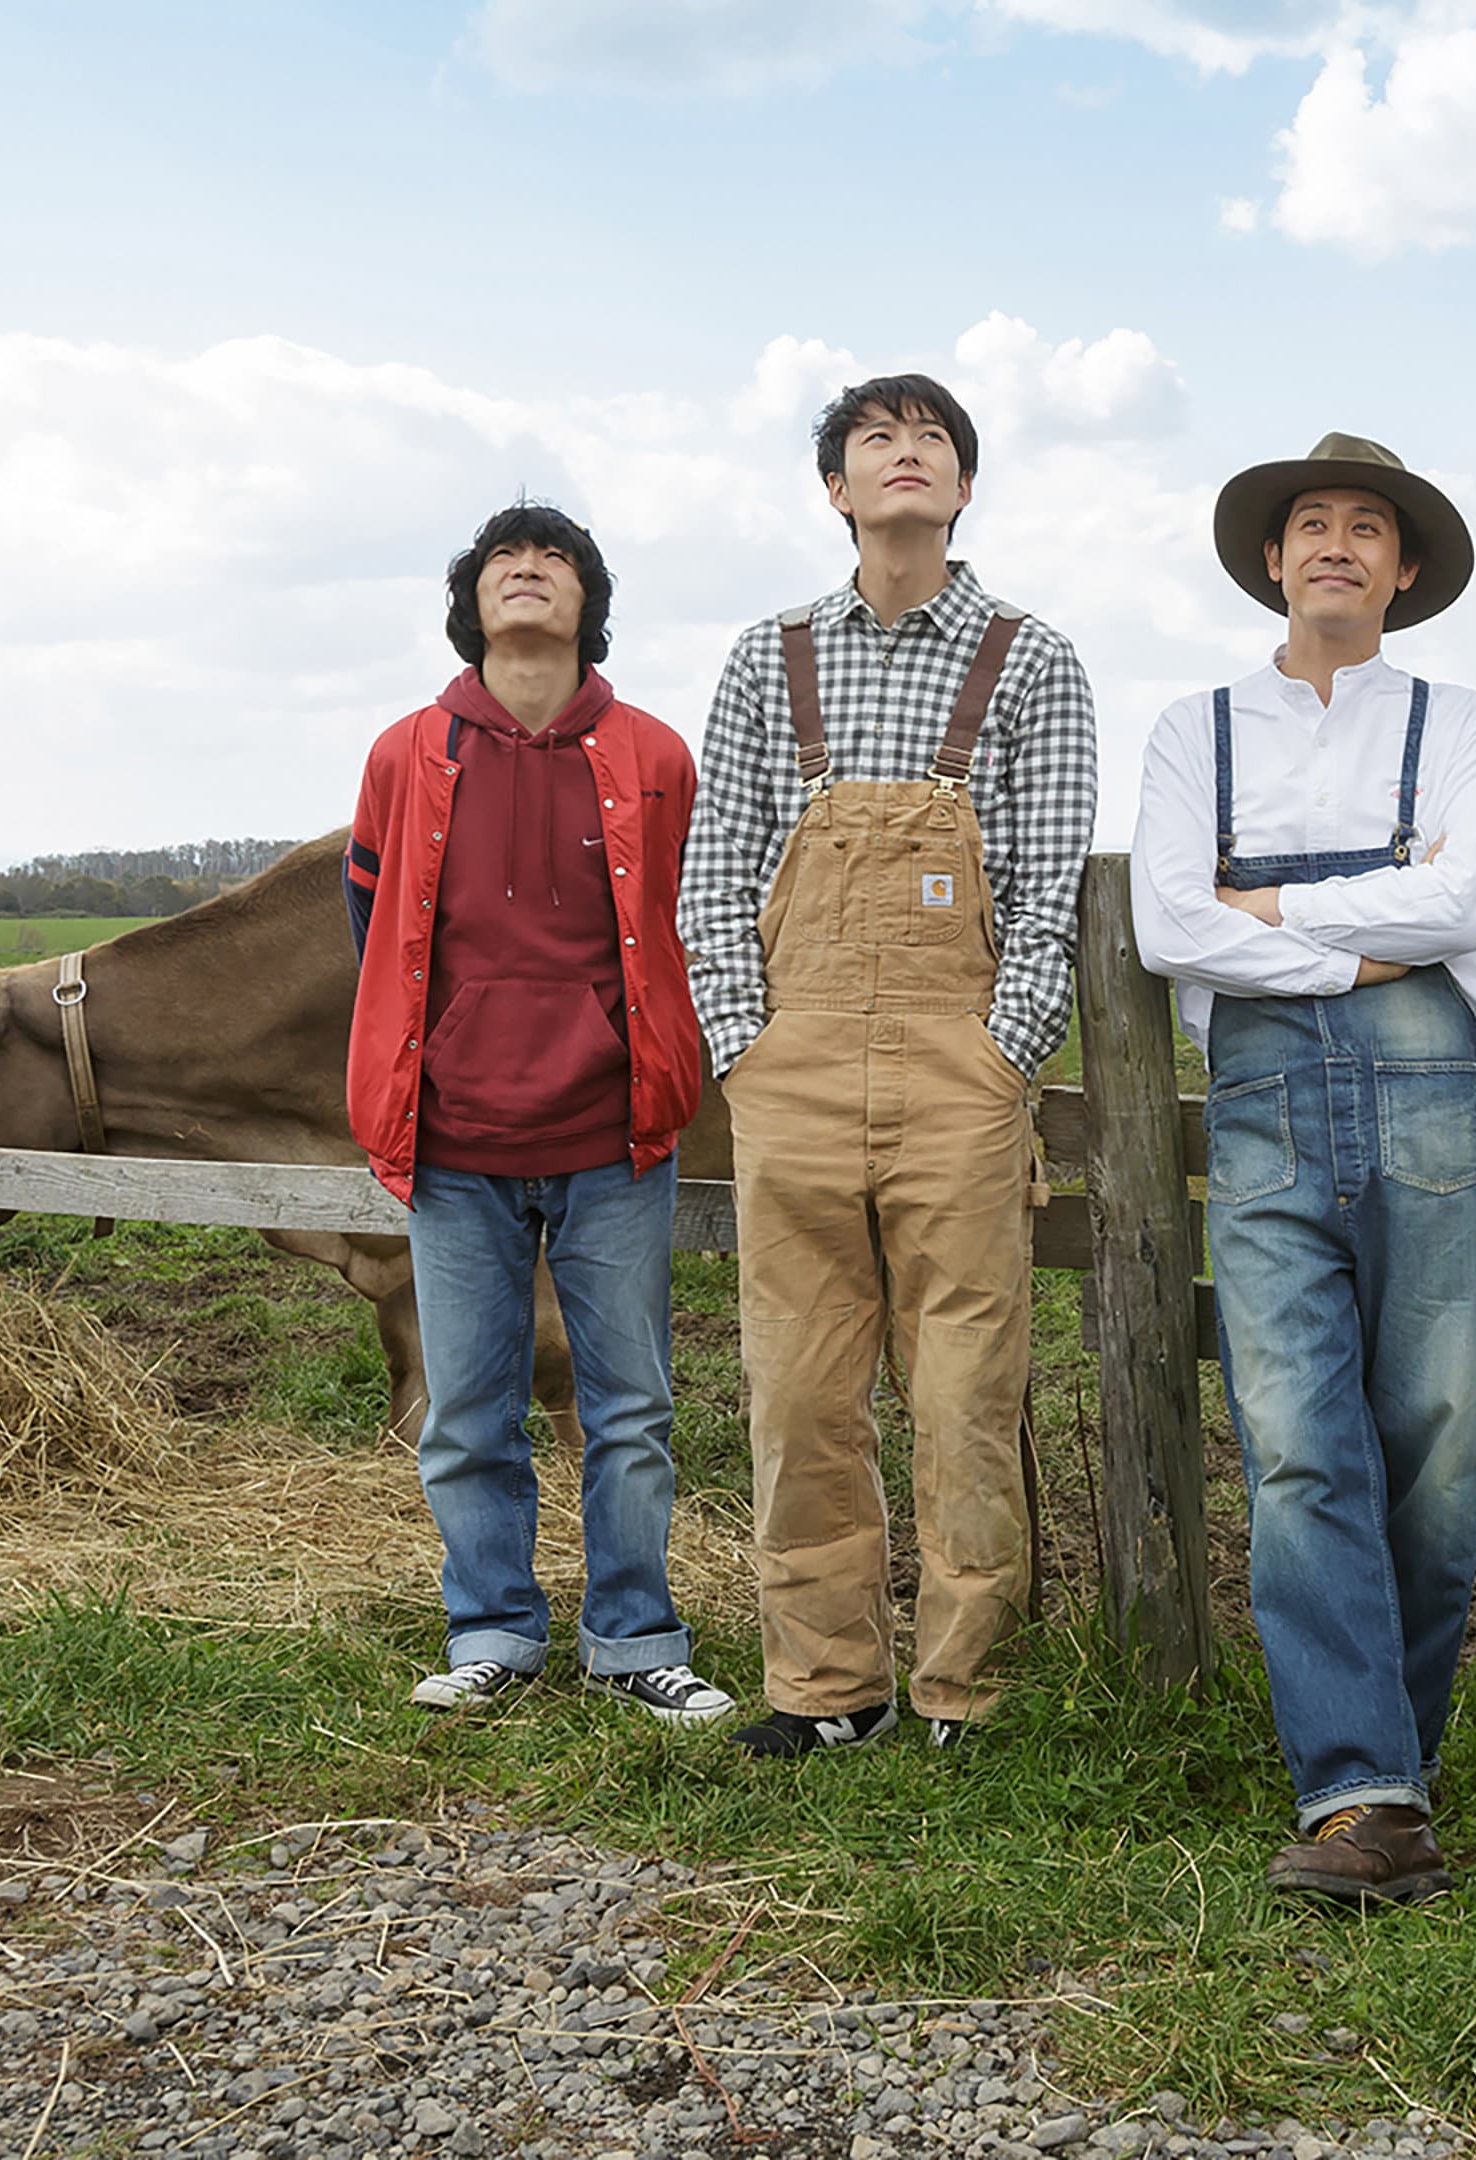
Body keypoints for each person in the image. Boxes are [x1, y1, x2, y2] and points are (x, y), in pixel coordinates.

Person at [680, 374, 1100, 1757]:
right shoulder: (771, 657)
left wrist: (1000, 1055)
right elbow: (715, 879)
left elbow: (1048, 899)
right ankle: (825, 1687)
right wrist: (748, 1046)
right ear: (837, 489)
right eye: (877, 440)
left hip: (956, 1074)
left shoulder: (1031, 660)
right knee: (799, 1391)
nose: (905, 455)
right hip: (792, 1062)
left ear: (965, 488)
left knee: (965, 1393)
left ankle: (961, 1691)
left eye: (933, 442)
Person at [1129, 434, 1476, 1907]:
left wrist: (1274, 906)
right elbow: (1171, 926)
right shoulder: (1194, 726)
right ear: (1274, 561)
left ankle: (1390, 1780)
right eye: (1312, 526)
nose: (1339, 545)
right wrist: (1377, 929)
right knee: (1297, 1439)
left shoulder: (1462, 721)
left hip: (1428, 1089)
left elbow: (1465, 897)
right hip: (1268, 1094)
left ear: (1405, 568)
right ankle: (1361, 1787)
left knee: (1433, 1431)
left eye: (1369, 528)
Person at [341, 503, 732, 1725]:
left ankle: (634, 1640)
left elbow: (691, 919)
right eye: (504, 559)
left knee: (632, 1410)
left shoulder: (657, 754)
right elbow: (374, 924)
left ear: (587, 602)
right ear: (473, 603)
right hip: (455, 1138)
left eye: (553, 557)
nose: (527, 568)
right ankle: (494, 1632)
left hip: (613, 1137)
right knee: (467, 1412)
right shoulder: (406, 752)